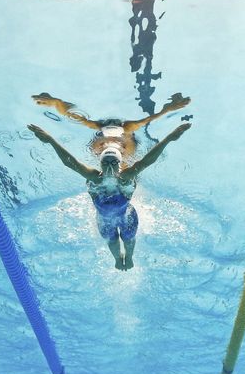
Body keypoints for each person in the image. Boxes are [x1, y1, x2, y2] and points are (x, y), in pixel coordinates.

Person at [28, 118, 191, 271]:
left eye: (114, 162)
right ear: (100, 163)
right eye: (106, 162)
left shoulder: (125, 178)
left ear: (120, 164)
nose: (110, 165)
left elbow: (147, 161)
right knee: (112, 241)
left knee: (128, 239)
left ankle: (129, 257)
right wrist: (50, 140)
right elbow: (71, 163)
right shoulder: (94, 178)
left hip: (127, 216)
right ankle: (117, 259)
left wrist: (169, 138)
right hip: (104, 220)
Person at [32, 92, 191, 157]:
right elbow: (146, 121)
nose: (113, 142)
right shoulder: (127, 130)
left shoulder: (103, 135)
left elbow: (76, 119)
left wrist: (57, 104)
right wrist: (167, 109)